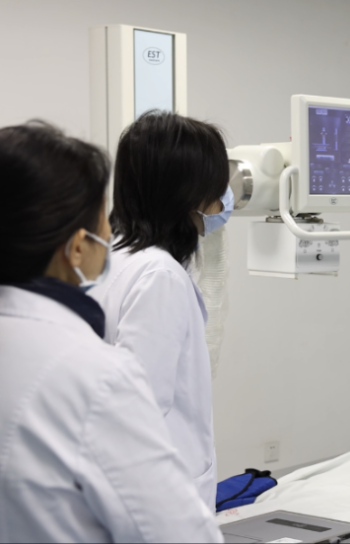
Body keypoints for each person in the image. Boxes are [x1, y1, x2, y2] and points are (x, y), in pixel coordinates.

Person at [0, 121, 222, 542]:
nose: (108, 231)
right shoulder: (101, 374)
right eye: (100, 216)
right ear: (75, 246)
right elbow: (172, 528)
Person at [88, 111, 233, 510]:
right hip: (158, 498)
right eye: (216, 186)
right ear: (188, 193)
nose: (222, 200)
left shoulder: (110, 258)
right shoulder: (159, 275)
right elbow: (140, 406)